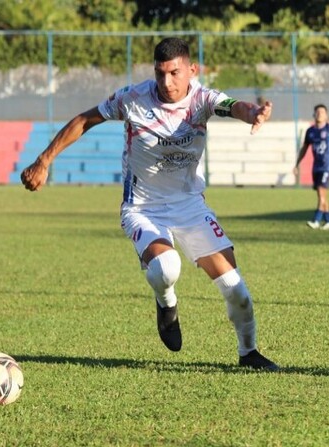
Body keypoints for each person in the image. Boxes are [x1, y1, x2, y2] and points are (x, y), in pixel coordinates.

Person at [20, 37, 279, 371]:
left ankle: (249, 354)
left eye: (174, 73)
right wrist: (44, 160)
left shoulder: (202, 98)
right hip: (142, 207)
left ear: (192, 70)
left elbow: (234, 106)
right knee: (165, 268)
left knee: (236, 290)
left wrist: (254, 113)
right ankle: (166, 302)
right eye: (160, 74)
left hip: (189, 205)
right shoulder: (133, 99)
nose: (167, 82)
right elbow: (85, 120)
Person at [294, 104, 329, 230]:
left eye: (322, 112)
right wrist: (297, 163)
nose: (319, 114)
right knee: (321, 194)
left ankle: (316, 219)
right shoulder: (310, 131)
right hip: (316, 167)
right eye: (317, 112)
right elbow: (304, 148)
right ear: (314, 115)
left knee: (320, 191)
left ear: (326, 115)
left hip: (328, 166)